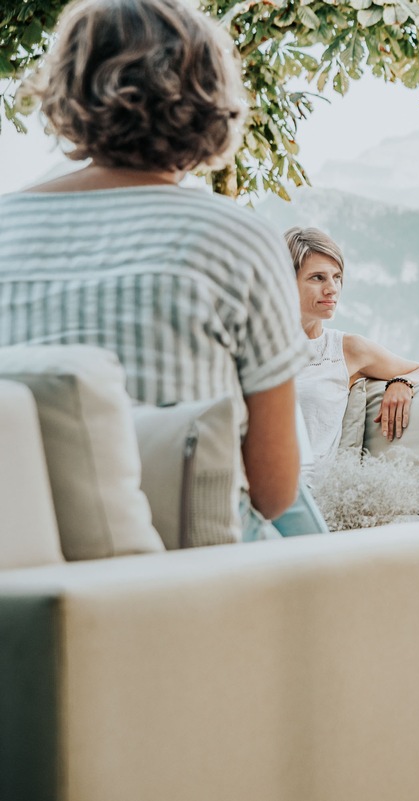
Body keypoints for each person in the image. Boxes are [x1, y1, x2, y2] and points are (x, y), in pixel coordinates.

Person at [0, 0, 307, 538]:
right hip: (186, 570)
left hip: (27, 557)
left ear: (67, 89)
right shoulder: (238, 238)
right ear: (208, 96)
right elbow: (272, 488)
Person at [285, 226, 419, 487]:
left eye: (337, 277)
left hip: (315, 497)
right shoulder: (258, 347)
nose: (332, 289)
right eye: (317, 278)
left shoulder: (347, 348)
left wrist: (401, 383)